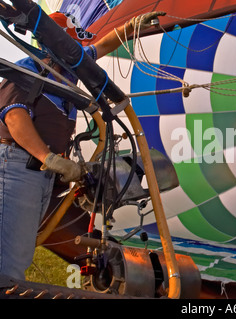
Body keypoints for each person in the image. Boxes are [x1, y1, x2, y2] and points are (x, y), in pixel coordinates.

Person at [0, 10, 165, 280]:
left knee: (19, 248)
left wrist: (131, 26)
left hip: (39, 172)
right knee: (8, 258)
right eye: (71, 43)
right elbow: (13, 115)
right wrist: (50, 158)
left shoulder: (69, 69)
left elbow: (102, 46)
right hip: (17, 166)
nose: (78, 49)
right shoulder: (30, 68)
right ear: (55, 42)